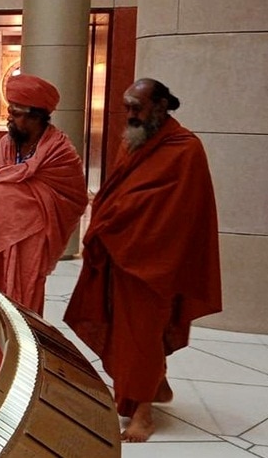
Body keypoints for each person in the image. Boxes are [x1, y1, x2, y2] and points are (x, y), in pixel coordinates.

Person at [64, 79, 221, 443]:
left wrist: (121, 217)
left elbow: (181, 211)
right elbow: (118, 191)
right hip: (121, 251)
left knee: (144, 333)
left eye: (137, 107)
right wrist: (108, 216)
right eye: (127, 107)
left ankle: (143, 414)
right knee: (126, 331)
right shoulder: (132, 141)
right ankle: (154, 385)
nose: (130, 114)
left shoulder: (186, 148)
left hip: (156, 260)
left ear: (161, 106)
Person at [0, 74, 87, 385]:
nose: (10, 118)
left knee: (19, 306)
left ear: (38, 116)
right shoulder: (8, 143)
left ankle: (16, 371)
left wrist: (25, 200)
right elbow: (0, 181)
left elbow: (74, 198)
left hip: (27, 246)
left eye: (17, 113)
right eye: (10, 111)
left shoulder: (61, 151)